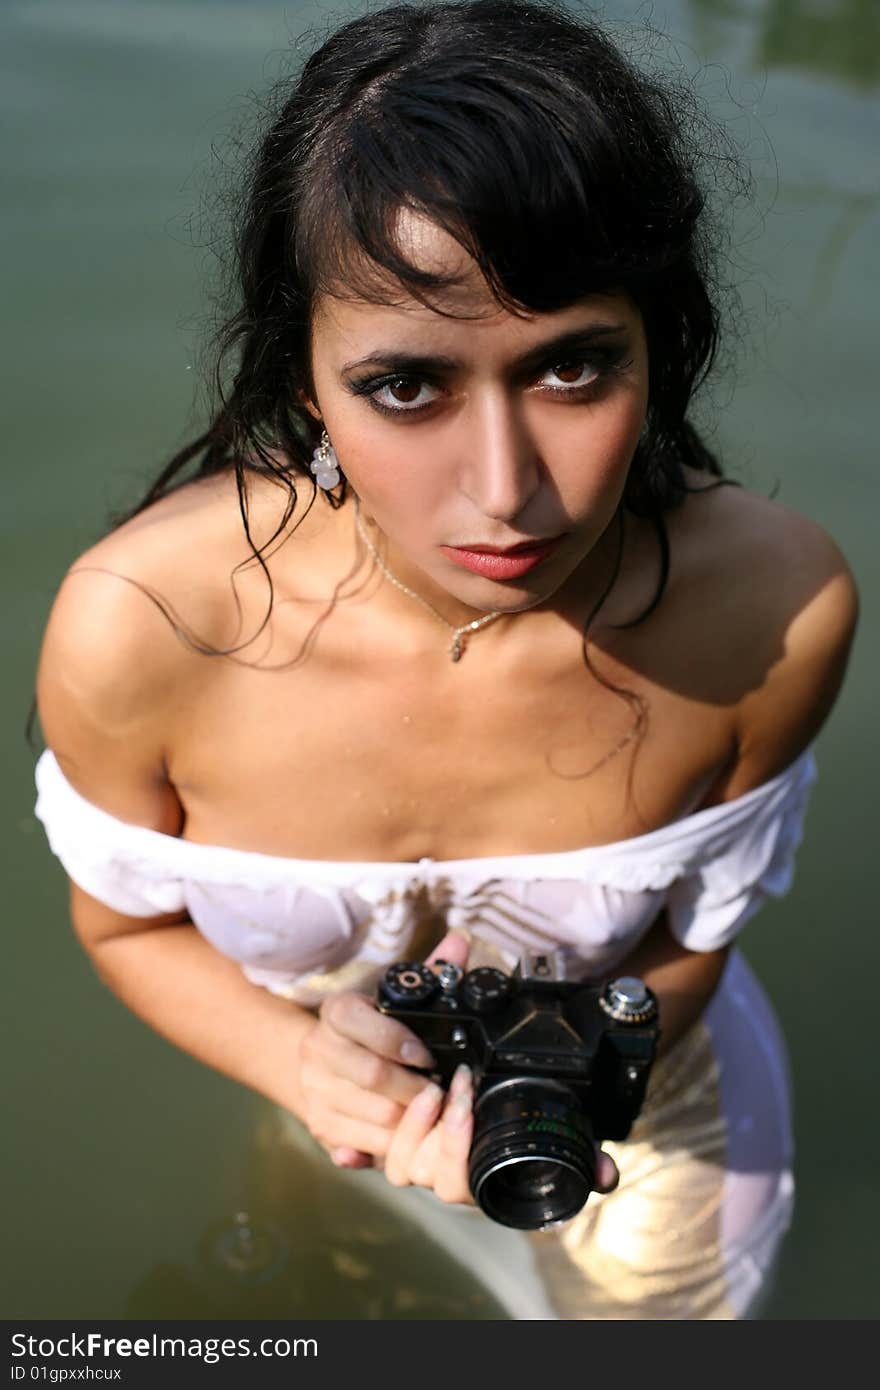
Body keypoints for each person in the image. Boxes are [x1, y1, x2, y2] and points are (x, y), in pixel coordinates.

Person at [33, 0, 858, 1319]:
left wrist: (580, 1075)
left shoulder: (772, 610)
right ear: (305, 375)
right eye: (407, 385)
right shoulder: (141, 630)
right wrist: (309, 1072)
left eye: (576, 368)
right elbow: (123, 921)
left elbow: (699, 942)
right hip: (335, 1104)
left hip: (656, 1129)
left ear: (664, 343)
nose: (506, 491)